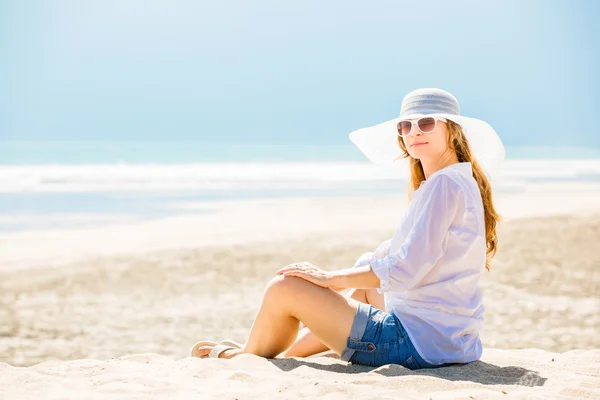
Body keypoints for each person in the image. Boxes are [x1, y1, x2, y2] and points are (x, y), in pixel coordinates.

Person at [191, 87, 505, 369]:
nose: (413, 132)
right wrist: (334, 284)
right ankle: (285, 354)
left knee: (283, 287)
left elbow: (406, 268)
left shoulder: (443, 187)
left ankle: (246, 356)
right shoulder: (457, 180)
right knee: (365, 285)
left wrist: (328, 279)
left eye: (426, 122)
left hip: (414, 345)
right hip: (452, 341)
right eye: (405, 125)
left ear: (452, 130)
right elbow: (389, 257)